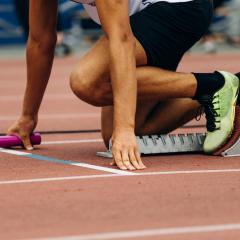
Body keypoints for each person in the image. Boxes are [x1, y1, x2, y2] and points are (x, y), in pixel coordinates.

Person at [8, 0, 239, 171]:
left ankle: (216, 85)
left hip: (181, 8)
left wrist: (125, 128)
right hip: (141, 20)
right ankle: (227, 87)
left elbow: (121, 39)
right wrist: (28, 116)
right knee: (127, 133)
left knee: (88, 81)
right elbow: (40, 41)